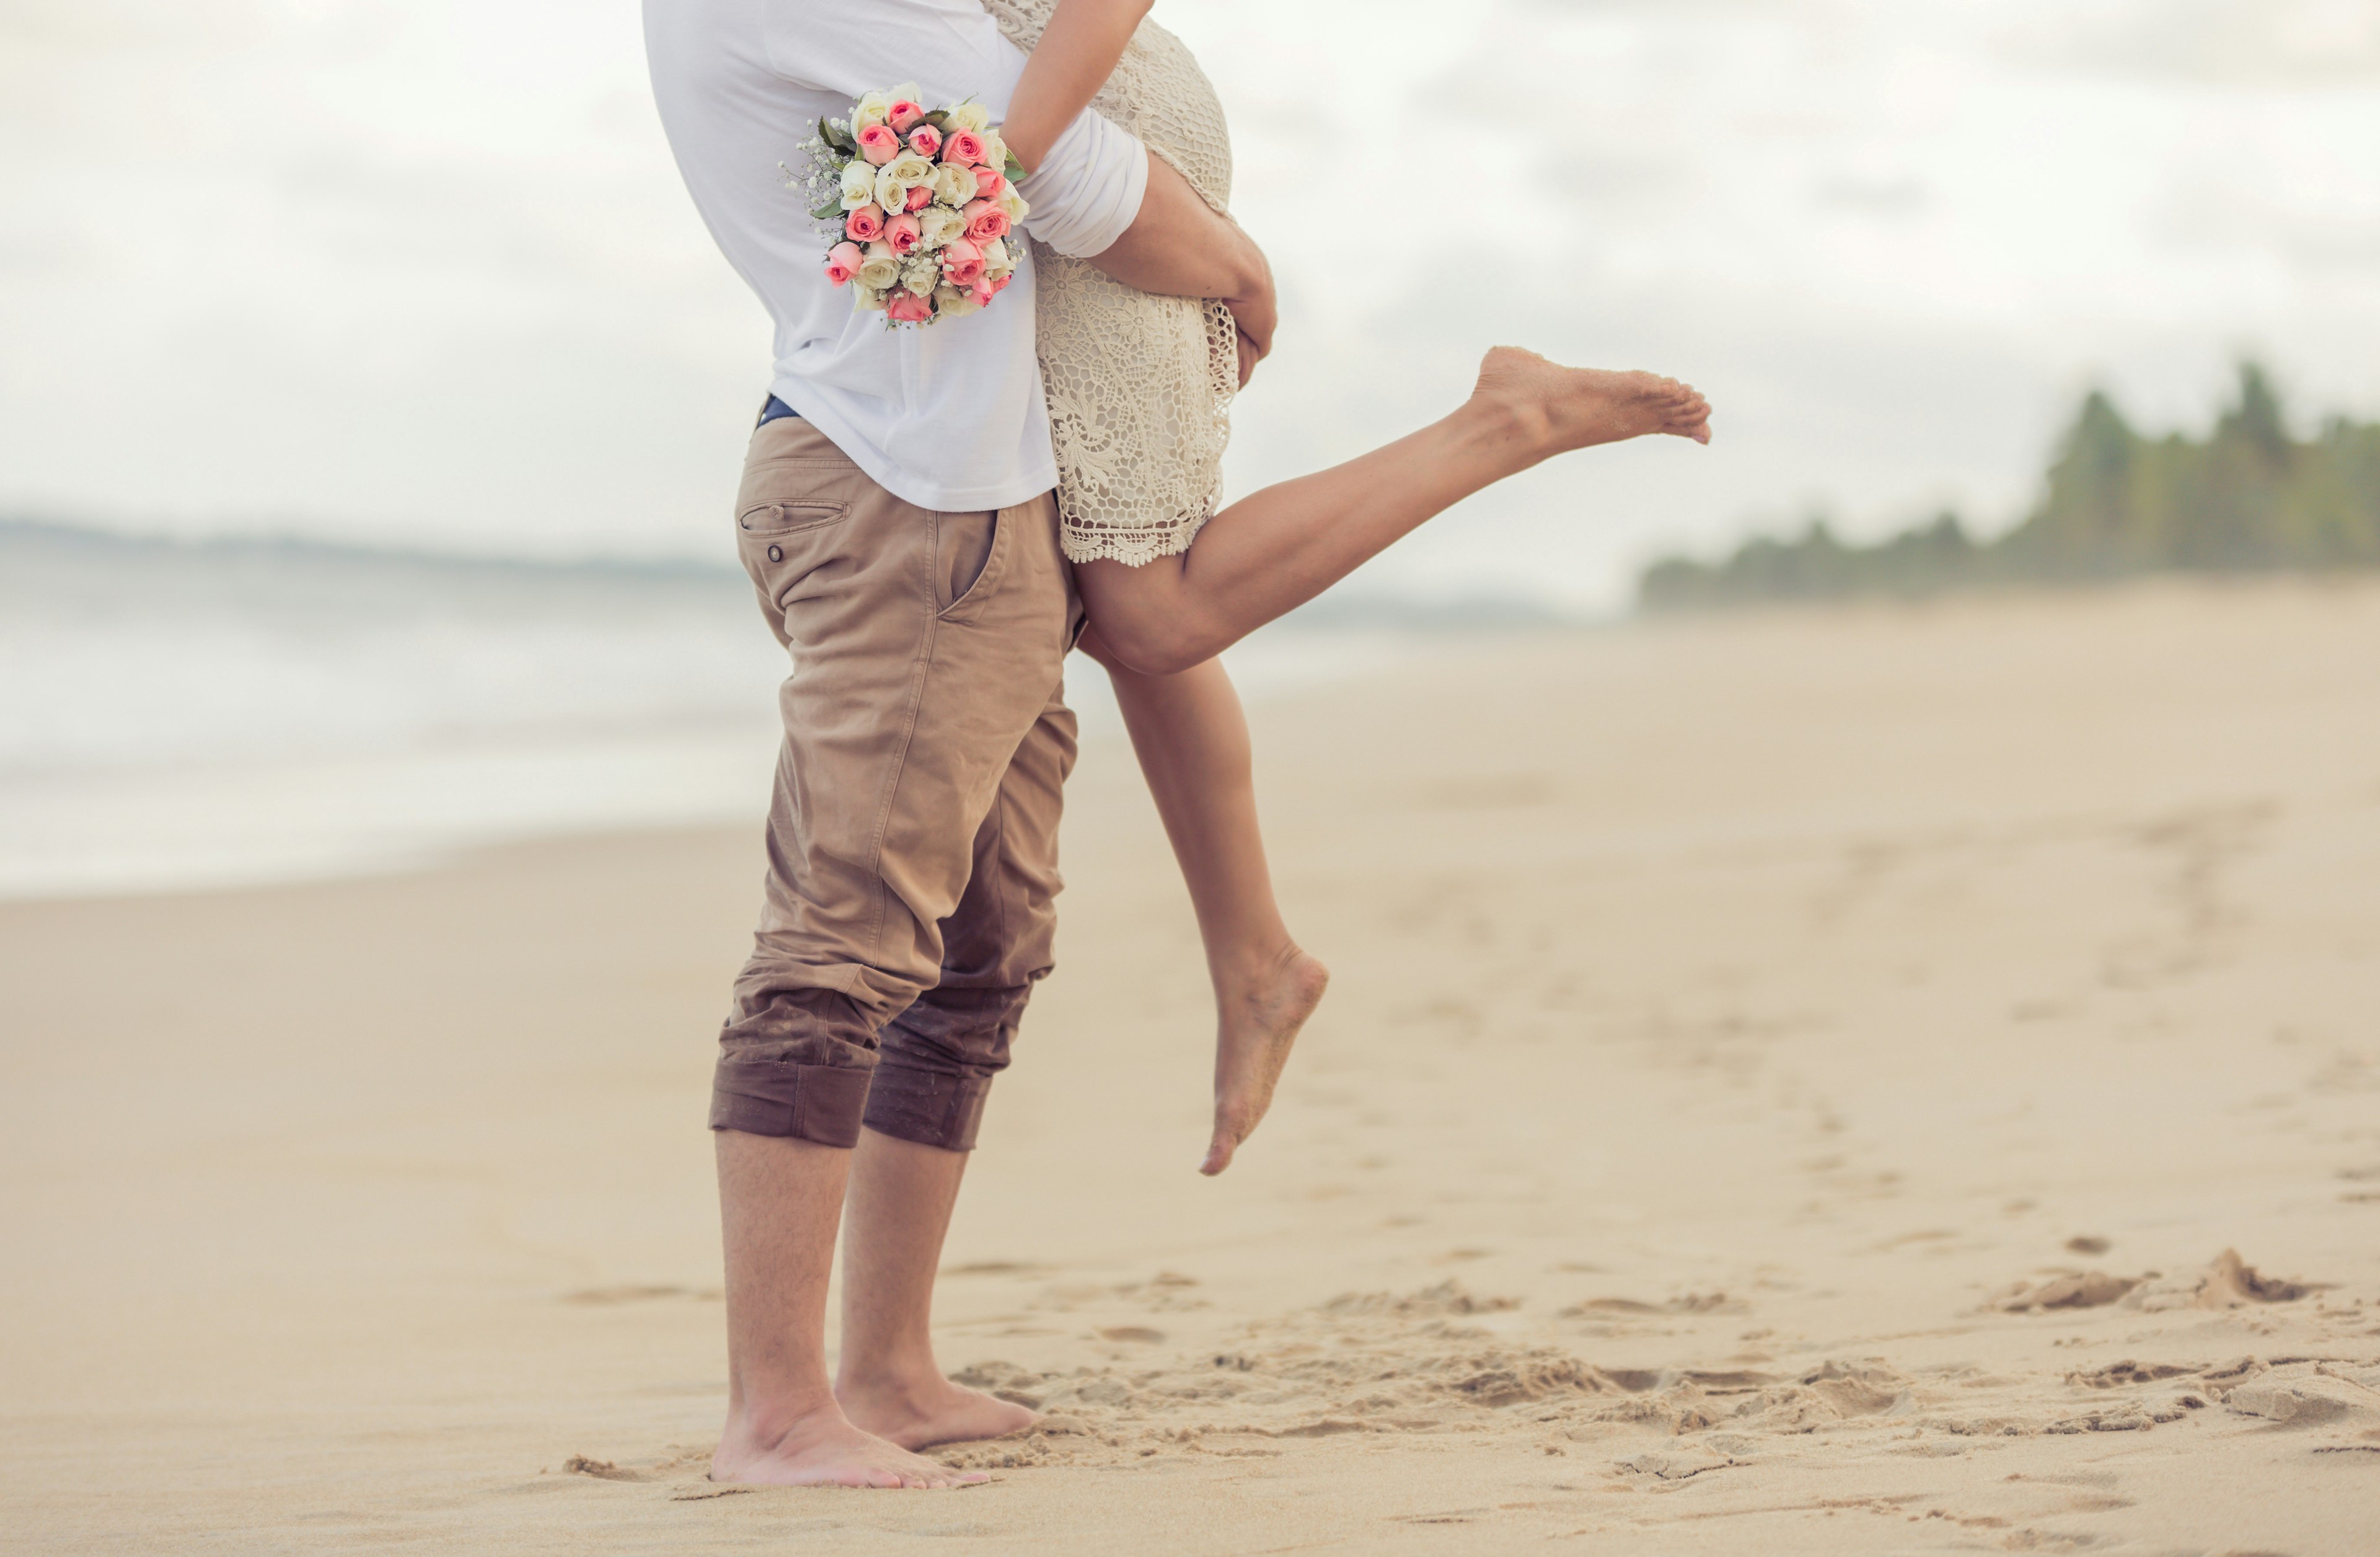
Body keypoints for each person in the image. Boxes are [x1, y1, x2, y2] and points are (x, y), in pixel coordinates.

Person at [642, 0, 1711, 1491]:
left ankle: (883, 1366)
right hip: (907, 497)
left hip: (974, 498)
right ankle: (776, 1404)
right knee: (845, 937)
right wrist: (1238, 265)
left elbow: (1032, 145)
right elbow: (1062, 166)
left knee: (979, 949)